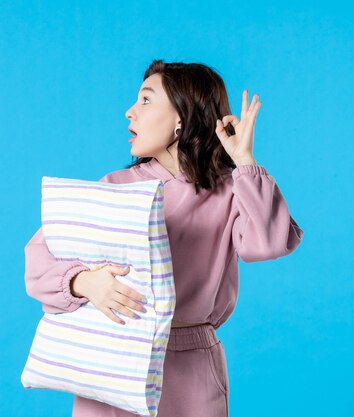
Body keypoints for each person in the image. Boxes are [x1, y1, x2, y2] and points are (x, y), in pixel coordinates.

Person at [23, 59, 304, 417]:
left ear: (181, 118)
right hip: (113, 359)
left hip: (192, 368)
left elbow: (268, 243)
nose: (129, 112)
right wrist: (84, 282)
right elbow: (39, 261)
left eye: (145, 100)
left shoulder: (232, 190)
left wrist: (244, 160)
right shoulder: (113, 188)